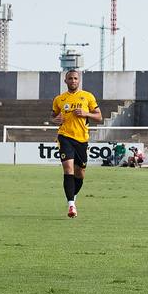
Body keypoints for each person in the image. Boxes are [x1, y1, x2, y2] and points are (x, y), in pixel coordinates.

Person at [51, 69, 102, 217]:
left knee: (80, 174)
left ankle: (72, 196)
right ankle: (71, 206)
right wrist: (55, 120)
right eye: (70, 78)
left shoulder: (87, 97)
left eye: (75, 78)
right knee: (68, 169)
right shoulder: (59, 99)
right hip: (65, 137)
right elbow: (53, 116)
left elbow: (99, 117)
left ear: (78, 81)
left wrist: (86, 113)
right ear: (65, 81)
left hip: (82, 139)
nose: (73, 81)